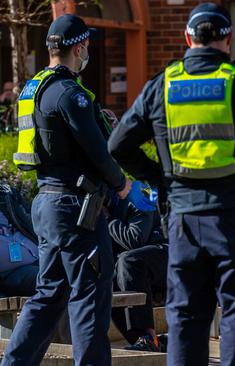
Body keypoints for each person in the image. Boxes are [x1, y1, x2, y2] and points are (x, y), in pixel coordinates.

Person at [107, 3, 235, 365]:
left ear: (187, 38)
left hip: (182, 220)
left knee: (185, 316)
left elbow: (117, 145)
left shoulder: (162, 85)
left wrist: (159, 179)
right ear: (228, 39)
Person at [2, 15, 133, 366]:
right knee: (90, 295)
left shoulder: (35, 87)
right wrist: (122, 185)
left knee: (49, 293)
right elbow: (98, 151)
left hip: (46, 202)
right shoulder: (69, 92)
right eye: (86, 46)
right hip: (77, 207)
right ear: (79, 47)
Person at [106, 186, 168, 353]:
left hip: (165, 251)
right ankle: (146, 341)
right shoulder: (107, 208)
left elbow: (135, 239)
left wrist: (108, 220)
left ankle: (148, 336)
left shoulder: (137, 199)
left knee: (129, 259)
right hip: (132, 267)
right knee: (107, 278)